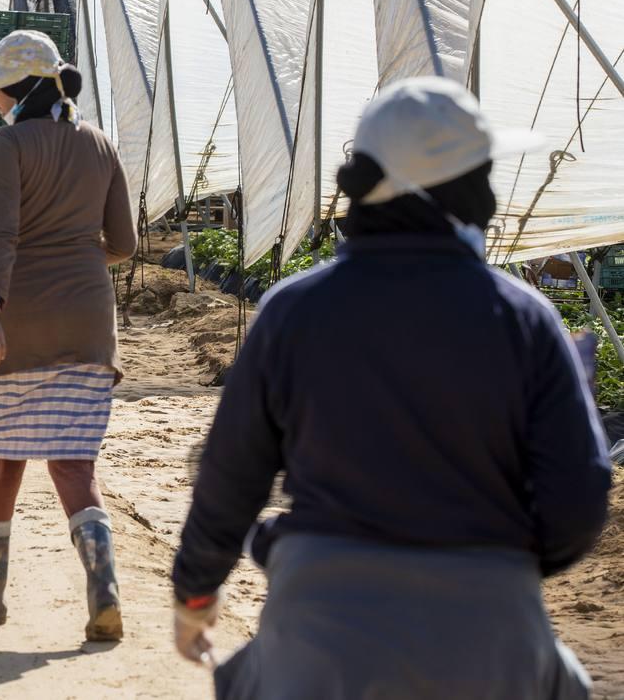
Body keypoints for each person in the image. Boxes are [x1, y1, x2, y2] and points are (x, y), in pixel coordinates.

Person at [172, 77, 613, 698]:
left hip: (320, 633)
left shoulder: (294, 311)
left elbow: (230, 477)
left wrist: (195, 591)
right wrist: (493, 568)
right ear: (461, 191)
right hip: (491, 636)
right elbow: (578, 498)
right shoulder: (525, 318)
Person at [0, 30, 137, 642]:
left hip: (20, 320)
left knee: (3, 461)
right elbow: (125, 246)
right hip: (89, 322)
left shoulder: (11, 143)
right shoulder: (101, 144)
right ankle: (104, 587)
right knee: (75, 465)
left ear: (20, 89)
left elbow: (1, 236)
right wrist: (77, 264)